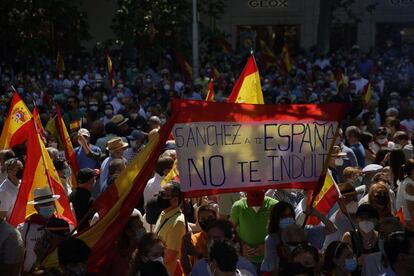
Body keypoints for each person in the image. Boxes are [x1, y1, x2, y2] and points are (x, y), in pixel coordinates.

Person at [261, 202, 336, 274]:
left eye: (290, 215)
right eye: (283, 216)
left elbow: (332, 229)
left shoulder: (302, 231)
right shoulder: (271, 240)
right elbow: (271, 268)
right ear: (276, 219)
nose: (288, 218)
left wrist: (317, 214)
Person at [18, 187, 62, 273]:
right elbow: (17, 254)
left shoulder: (64, 226)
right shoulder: (24, 228)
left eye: (49, 202)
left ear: (54, 203)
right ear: (36, 207)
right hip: (30, 272)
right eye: (43, 204)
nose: (47, 206)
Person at [230, 191, 278, 268]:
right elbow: (230, 231)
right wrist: (242, 245)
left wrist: (267, 245)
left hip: (270, 258)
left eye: (258, 195)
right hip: (247, 260)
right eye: (252, 194)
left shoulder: (275, 205)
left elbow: (281, 231)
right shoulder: (238, 206)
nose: (256, 202)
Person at [99, 210, 146, 276]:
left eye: (142, 225)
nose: (143, 229)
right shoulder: (114, 252)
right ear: (128, 232)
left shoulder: (144, 250)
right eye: (139, 227)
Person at [154, 182, 187, 275]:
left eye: (164, 194)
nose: (160, 196)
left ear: (175, 200)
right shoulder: (164, 213)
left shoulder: (178, 222)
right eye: (160, 193)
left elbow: (170, 255)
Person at [180, 204, 218, 273]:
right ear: (198, 221)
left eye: (210, 218)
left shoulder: (223, 238)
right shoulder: (194, 239)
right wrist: (183, 250)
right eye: (203, 219)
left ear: (216, 218)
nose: (207, 221)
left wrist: (198, 255)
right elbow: (187, 270)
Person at [342, 204, 380, 272]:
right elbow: (342, 264)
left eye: (369, 217)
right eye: (362, 218)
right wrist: (357, 261)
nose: (365, 220)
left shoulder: (380, 237)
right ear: (357, 219)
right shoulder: (349, 237)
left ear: (375, 220)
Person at [323, 183, 359, 249]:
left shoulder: (362, 215)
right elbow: (330, 249)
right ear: (339, 202)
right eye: (348, 200)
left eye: (354, 199)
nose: (353, 202)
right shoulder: (334, 224)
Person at [396, 158, 414, 227]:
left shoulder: (406, 179)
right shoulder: (409, 186)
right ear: (412, 171)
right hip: (407, 221)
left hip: (403, 218)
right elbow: (411, 209)